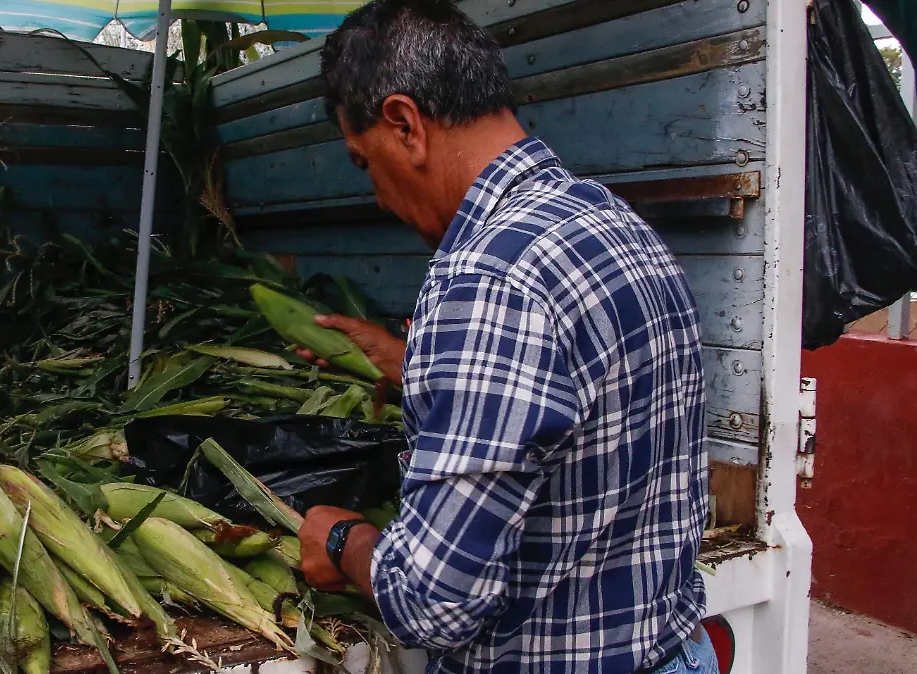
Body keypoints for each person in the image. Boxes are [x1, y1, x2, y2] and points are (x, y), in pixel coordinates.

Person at [294, 1, 719, 672]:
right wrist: (415, 367)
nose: (375, 194)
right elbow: (584, 412)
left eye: (361, 161)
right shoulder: (612, 222)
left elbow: (432, 601)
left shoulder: (487, 279)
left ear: (404, 124)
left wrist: (344, 537)